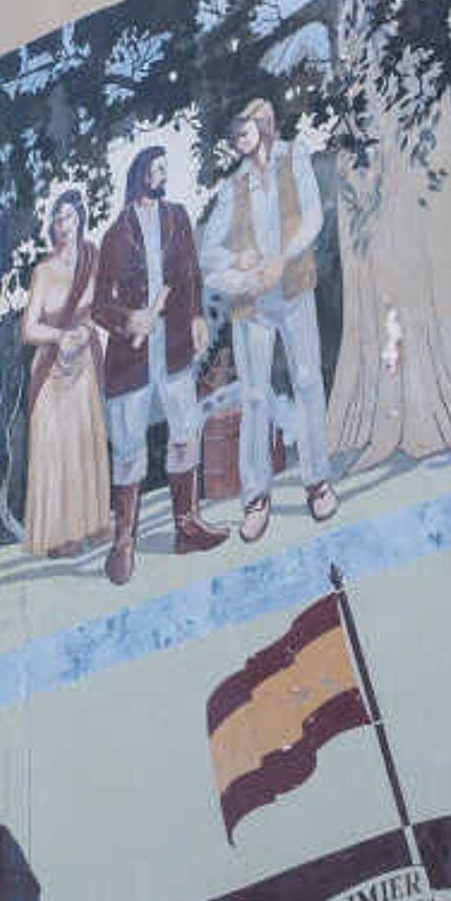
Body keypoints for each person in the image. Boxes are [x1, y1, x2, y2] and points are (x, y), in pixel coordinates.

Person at [199, 98, 338, 541]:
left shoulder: (293, 157)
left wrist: (284, 256)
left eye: (248, 127)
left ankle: (318, 481)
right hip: (253, 303)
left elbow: (313, 215)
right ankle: (256, 497)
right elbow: (210, 255)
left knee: (307, 380)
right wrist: (239, 269)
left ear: (266, 126)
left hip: (294, 286)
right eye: (236, 131)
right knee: (256, 395)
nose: (241, 137)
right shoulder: (232, 187)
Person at [95, 142, 221, 584]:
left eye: (166, 168)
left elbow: (190, 274)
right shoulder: (115, 236)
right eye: (157, 168)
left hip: (173, 346)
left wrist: (198, 314)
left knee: (185, 427)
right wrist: (129, 317)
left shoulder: (178, 218)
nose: (163, 174)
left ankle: (186, 525)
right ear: (140, 174)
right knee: (129, 446)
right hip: (131, 355)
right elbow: (98, 306)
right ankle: (123, 541)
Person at [19, 188, 115, 556]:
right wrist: (61, 337)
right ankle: (60, 536)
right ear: (52, 226)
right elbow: (30, 329)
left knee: (85, 442)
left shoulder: (93, 260)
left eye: (69, 217)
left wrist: (85, 332)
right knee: (56, 450)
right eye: (57, 219)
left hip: (85, 363)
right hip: (51, 371)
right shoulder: (43, 271)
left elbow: (101, 307)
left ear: (80, 219)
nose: (63, 225)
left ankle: (93, 524)